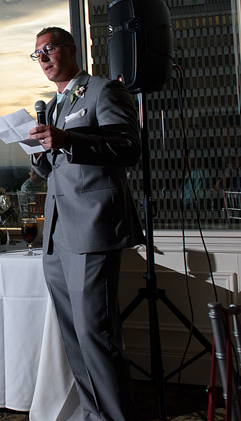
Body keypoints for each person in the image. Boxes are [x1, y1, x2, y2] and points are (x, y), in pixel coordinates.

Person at [28, 27, 142, 421]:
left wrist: (68, 140)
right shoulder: (57, 104)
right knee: (73, 337)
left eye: (49, 49)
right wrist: (40, 155)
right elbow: (58, 166)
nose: (43, 58)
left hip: (93, 229)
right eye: (37, 54)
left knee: (97, 335)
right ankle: (95, 414)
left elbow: (129, 146)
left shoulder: (103, 90)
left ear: (71, 49)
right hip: (57, 234)